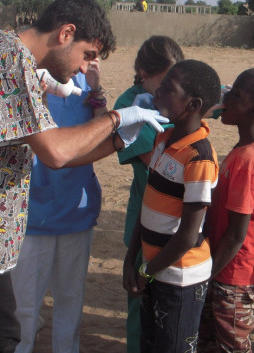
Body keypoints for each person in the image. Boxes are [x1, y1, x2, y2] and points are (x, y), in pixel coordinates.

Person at [0, 0, 169, 353]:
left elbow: (56, 154)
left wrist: (118, 141)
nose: (83, 67)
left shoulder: (23, 68)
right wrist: (115, 119)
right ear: (65, 33)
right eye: (87, 54)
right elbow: (56, 151)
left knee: (4, 338)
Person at [122, 60, 221, 353]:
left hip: (179, 277)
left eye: (169, 88)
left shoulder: (199, 157)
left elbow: (188, 235)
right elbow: (148, 201)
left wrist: (147, 271)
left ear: (193, 104)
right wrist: (132, 258)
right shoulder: (164, 138)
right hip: (153, 269)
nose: (159, 91)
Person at [11, 58, 106, 353]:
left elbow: (102, 132)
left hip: (76, 210)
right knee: (24, 307)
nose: (84, 60)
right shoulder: (26, 75)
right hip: (31, 215)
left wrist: (96, 88)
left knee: (70, 301)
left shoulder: (82, 85)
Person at [199, 68, 254, 352]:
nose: (227, 98)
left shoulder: (250, 160)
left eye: (235, 95)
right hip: (224, 270)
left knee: (232, 346)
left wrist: (206, 274)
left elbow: (237, 235)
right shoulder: (244, 150)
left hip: (232, 277)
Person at [113, 35, 184, 353]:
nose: (169, 87)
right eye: (164, 80)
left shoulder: (172, 98)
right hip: (146, 218)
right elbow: (160, 164)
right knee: (141, 304)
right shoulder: (129, 107)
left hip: (179, 219)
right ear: (143, 72)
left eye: (175, 81)